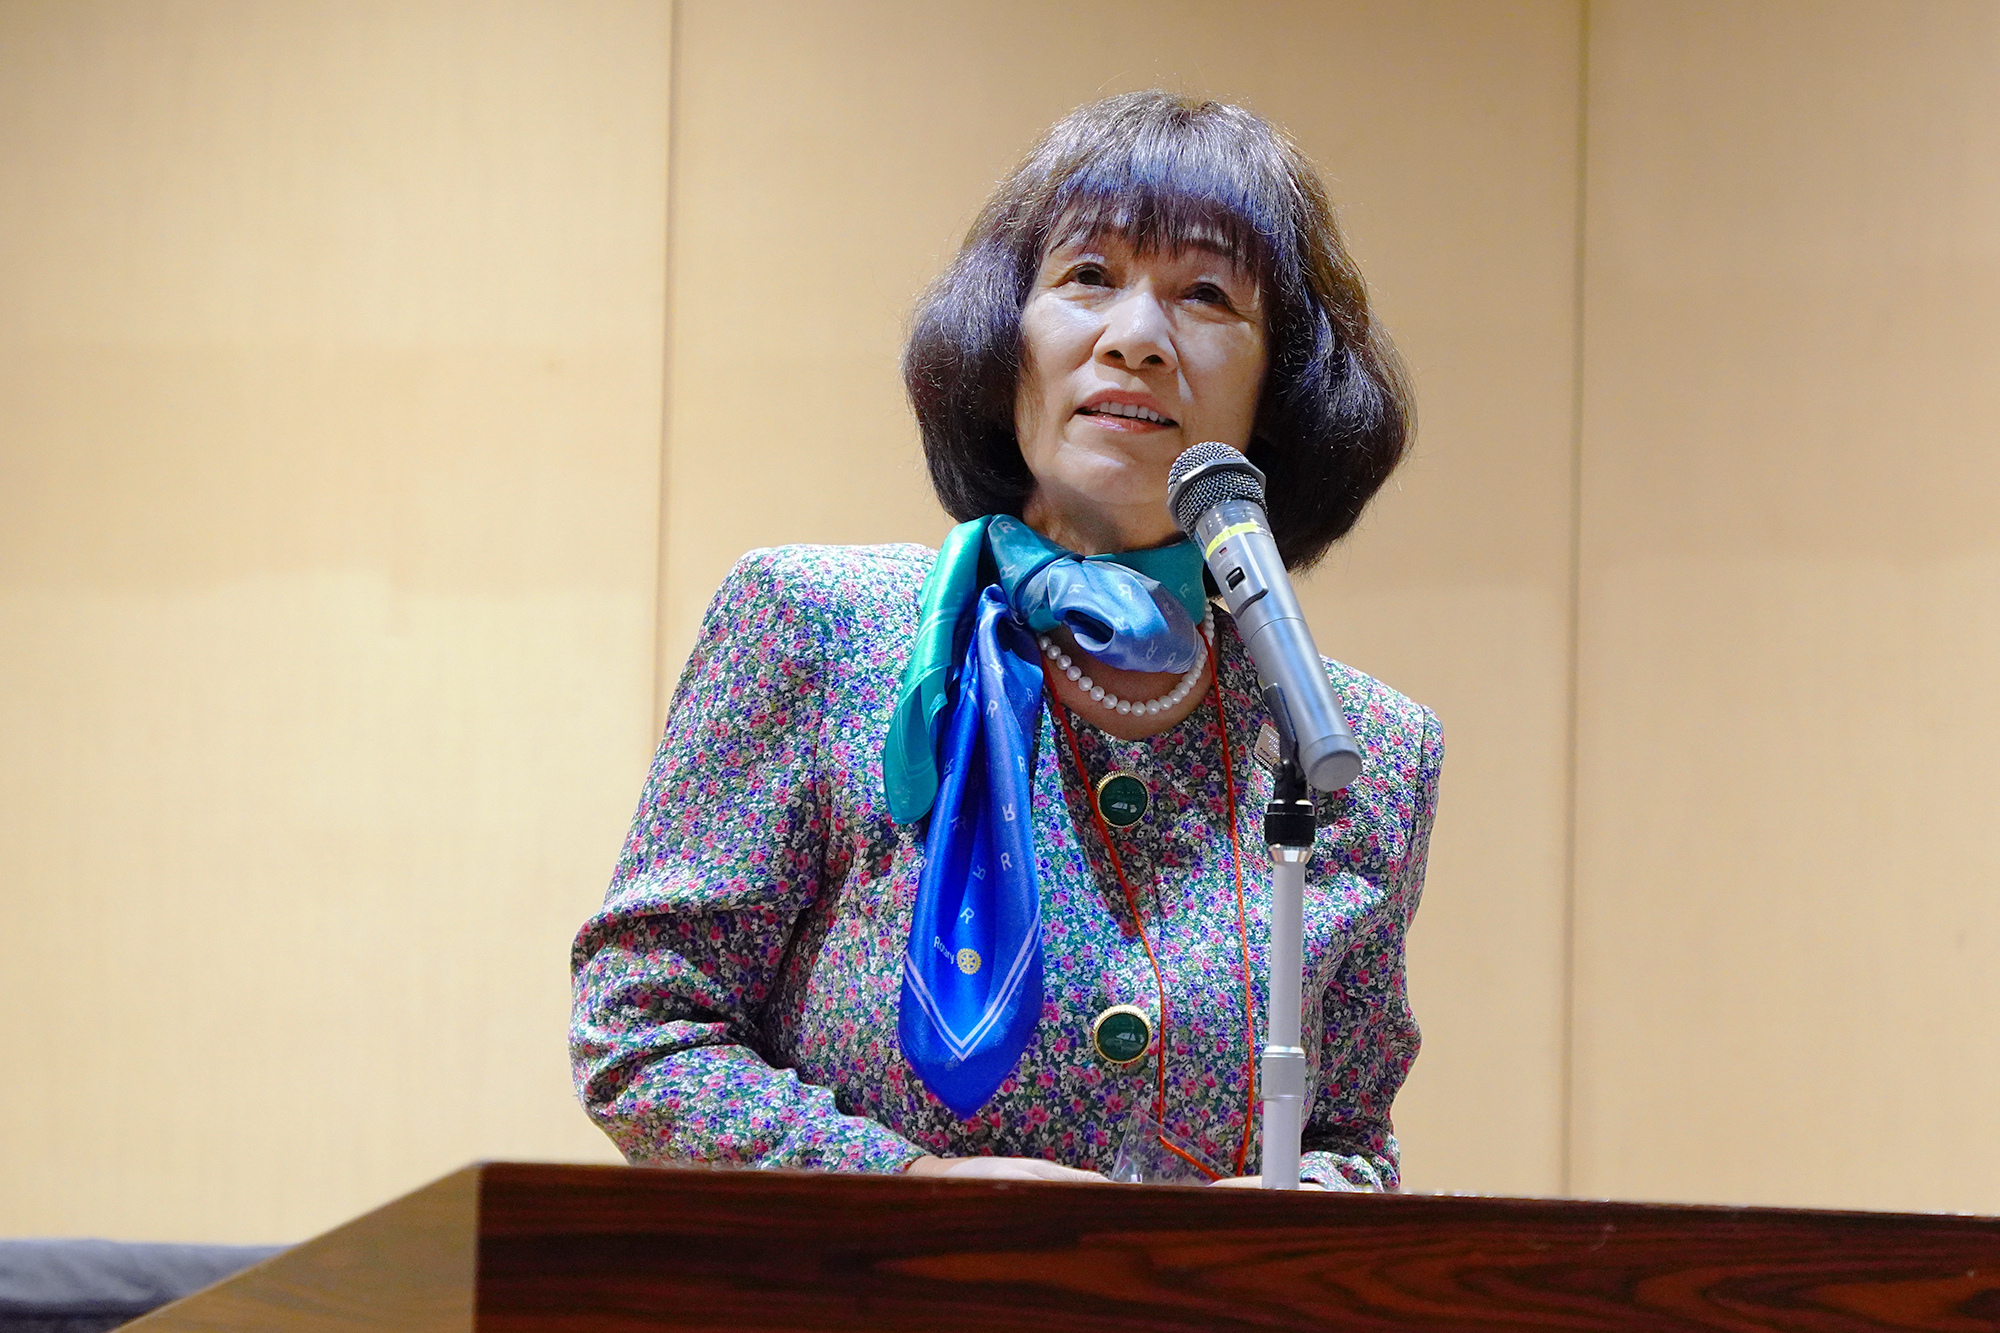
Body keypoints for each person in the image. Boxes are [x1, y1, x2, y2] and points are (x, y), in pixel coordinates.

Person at [569, 90, 1441, 1189]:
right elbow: (643, 1028)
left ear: (1282, 385)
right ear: (1002, 338)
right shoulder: (814, 626)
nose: (1135, 338)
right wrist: (911, 1194)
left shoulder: (1358, 749)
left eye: (1206, 294)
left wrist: (1269, 1226)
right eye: (1087, 276)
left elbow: (1349, 1138)